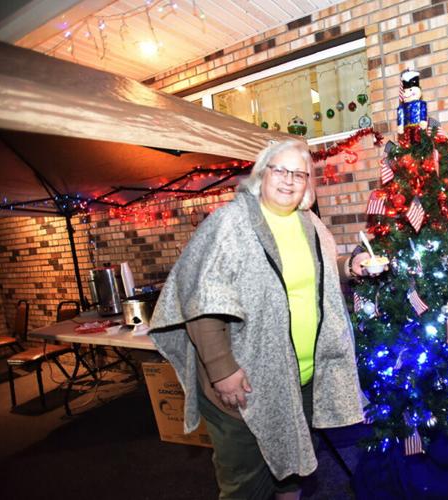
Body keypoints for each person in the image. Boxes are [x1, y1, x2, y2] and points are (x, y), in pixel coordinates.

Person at [149, 140, 364, 500]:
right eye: (280, 169)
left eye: (299, 173)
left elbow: (315, 277)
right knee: (245, 481)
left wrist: (348, 267)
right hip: (243, 380)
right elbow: (201, 299)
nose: (289, 180)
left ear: (308, 183)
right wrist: (222, 370)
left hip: (298, 377)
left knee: (292, 463)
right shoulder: (229, 223)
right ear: (262, 174)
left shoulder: (310, 224)